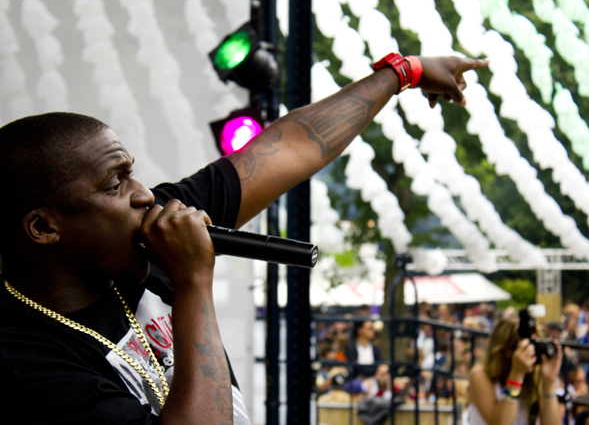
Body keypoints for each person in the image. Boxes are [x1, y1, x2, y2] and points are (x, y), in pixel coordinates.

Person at [0, 54, 488, 423]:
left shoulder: (145, 232)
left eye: (132, 173)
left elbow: (291, 146)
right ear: (44, 228)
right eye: (114, 184)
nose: (144, 194)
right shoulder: (23, 361)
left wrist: (403, 71)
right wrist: (193, 280)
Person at [468, 318, 563, 425]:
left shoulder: (534, 375)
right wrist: (516, 376)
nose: (530, 353)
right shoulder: (480, 374)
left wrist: (549, 382)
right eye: (524, 348)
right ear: (505, 349)